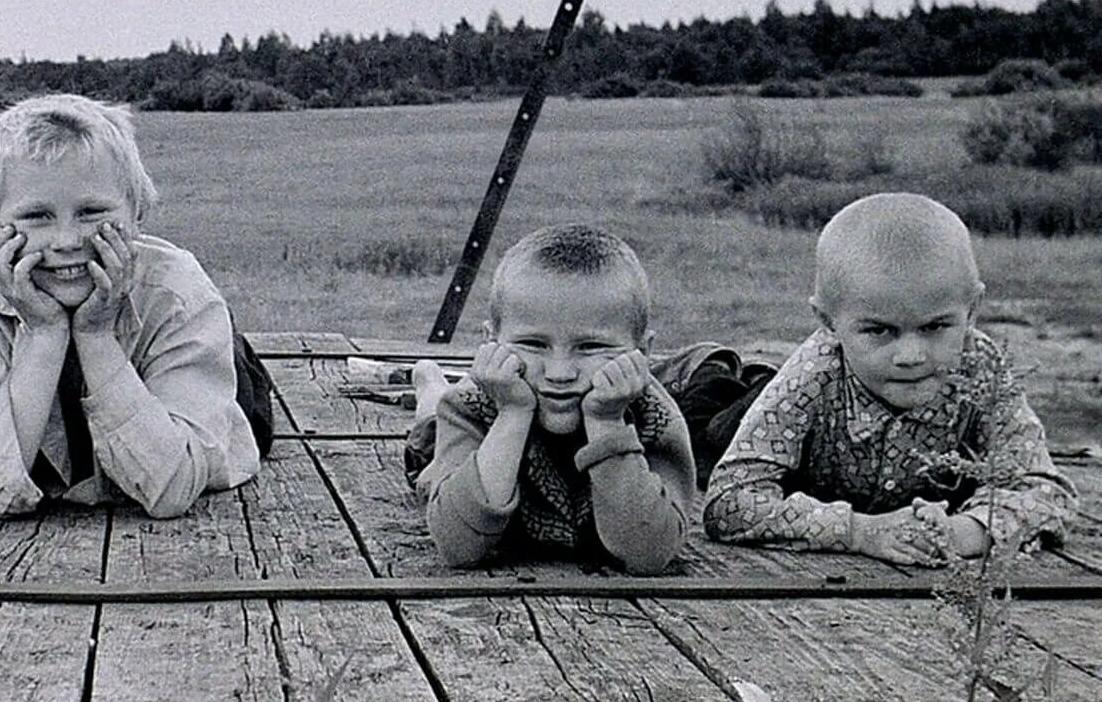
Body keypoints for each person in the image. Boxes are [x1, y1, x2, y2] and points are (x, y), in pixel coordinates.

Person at [703, 192, 1075, 564]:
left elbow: (1045, 490)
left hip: (936, 511)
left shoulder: (981, 368)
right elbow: (729, 501)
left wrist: (963, 531)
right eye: (880, 331)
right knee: (709, 408)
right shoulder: (813, 375)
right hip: (742, 420)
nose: (910, 356)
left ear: (972, 310)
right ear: (828, 322)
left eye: (935, 327)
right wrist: (859, 531)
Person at [0, 94, 264, 518]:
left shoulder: (179, 292)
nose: (67, 241)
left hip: (208, 397)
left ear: (138, 212)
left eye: (91, 212)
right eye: (37, 216)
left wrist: (95, 336)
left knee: (242, 392)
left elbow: (172, 489)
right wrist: (43, 333)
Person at [406, 224, 696, 572]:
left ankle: (431, 382)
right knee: (426, 438)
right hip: (456, 434)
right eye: (533, 344)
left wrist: (607, 422)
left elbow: (648, 552)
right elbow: (458, 546)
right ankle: (429, 381)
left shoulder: (655, 417)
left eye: (591, 347)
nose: (560, 373)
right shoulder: (470, 406)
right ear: (491, 341)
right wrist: (512, 413)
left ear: (642, 353)